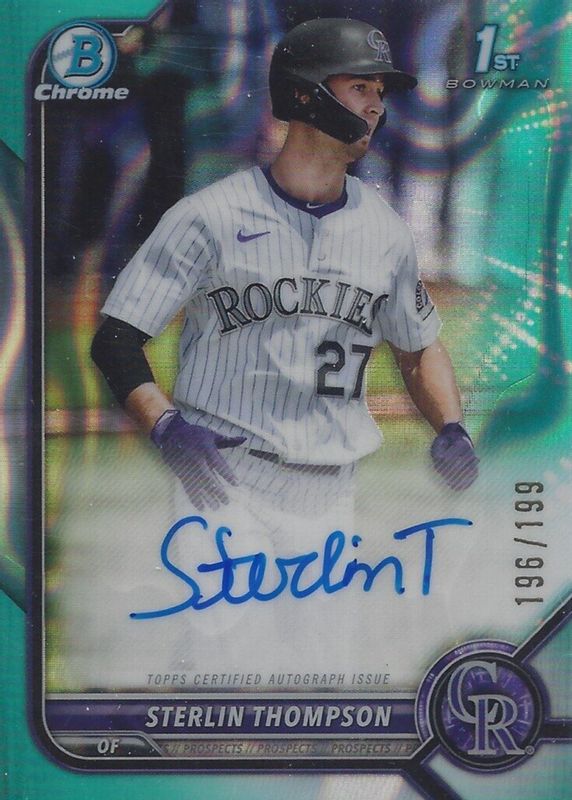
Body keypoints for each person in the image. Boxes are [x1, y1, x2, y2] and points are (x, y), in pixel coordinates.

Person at [91, 18, 478, 676]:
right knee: (219, 678)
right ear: (305, 95)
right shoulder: (209, 216)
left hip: (329, 492)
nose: (376, 106)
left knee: (321, 683)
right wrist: (165, 426)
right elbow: (118, 339)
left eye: (380, 91)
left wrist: (451, 426)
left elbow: (419, 348)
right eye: (360, 87)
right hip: (221, 482)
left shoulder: (384, 230)